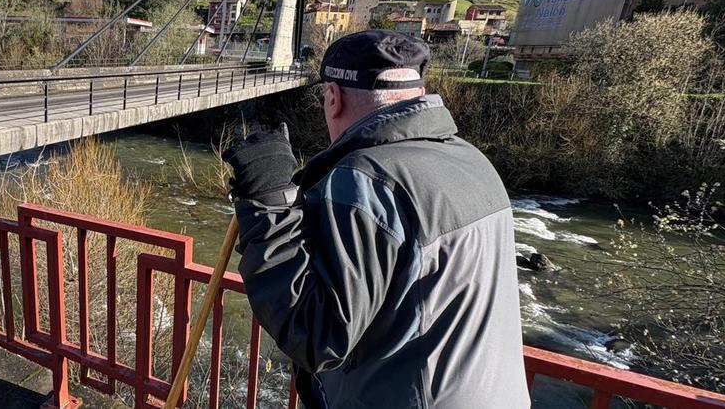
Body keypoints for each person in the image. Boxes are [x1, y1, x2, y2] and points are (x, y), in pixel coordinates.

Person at [223, 30, 528, 408]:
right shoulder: (473, 161)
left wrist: (267, 203)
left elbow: (316, 336)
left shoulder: (365, 180)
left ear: (332, 97)